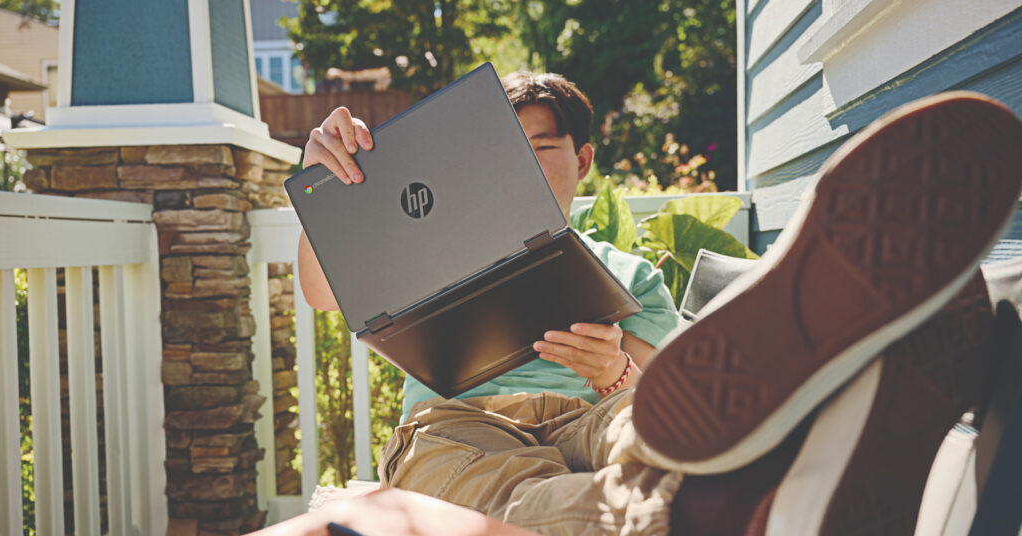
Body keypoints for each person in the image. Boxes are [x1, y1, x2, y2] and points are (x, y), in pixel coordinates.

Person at [294, 73, 1022, 535]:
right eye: (496, 154)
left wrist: (612, 374)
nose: (515, 170)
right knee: (501, 489)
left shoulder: (625, 272)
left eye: (537, 149)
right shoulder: (422, 254)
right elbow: (322, 293)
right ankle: (724, 502)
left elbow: (684, 391)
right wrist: (324, 195)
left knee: (647, 428)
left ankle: (719, 486)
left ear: (582, 160)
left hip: (595, 412)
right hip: (456, 423)